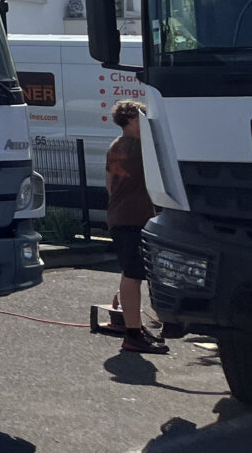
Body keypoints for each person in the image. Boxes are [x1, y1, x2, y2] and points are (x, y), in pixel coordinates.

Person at [106, 98, 166, 354]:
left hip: (119, 217)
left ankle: (135, 328)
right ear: (131, 119)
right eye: (142, 115)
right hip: (133, 218)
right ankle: (132, 334)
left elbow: (109, 184)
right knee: (133, 275)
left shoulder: (115, 146)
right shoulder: (141, 147)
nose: (146, 120)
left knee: (131, 273)